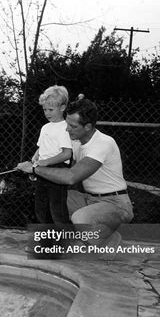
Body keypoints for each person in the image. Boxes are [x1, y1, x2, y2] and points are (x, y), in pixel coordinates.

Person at [16, 95, 134, 247]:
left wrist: (35, 169)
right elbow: (48, 151)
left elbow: (71, 177)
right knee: (52, 201)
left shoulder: (103, 143)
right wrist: (34, 161)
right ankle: (65, 240)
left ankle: (108, 238)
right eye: (67, 124)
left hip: (115, 203)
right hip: (87, 198)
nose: (67, 129)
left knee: (80, 219)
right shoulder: (74, 141)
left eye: (73, 126)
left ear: (88, 127)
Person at [31, 85, 72, 225]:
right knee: (41, 208)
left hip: (57, 170)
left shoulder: (65, 127)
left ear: (62, 108)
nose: (47, 113)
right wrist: (36, 156)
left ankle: (65, 242)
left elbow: (67, 153)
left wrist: (47, 162)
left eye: (50, 109)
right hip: (43, 171)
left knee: (57, 209)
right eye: (44, 109)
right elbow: (41, 147)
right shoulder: (45, 127)